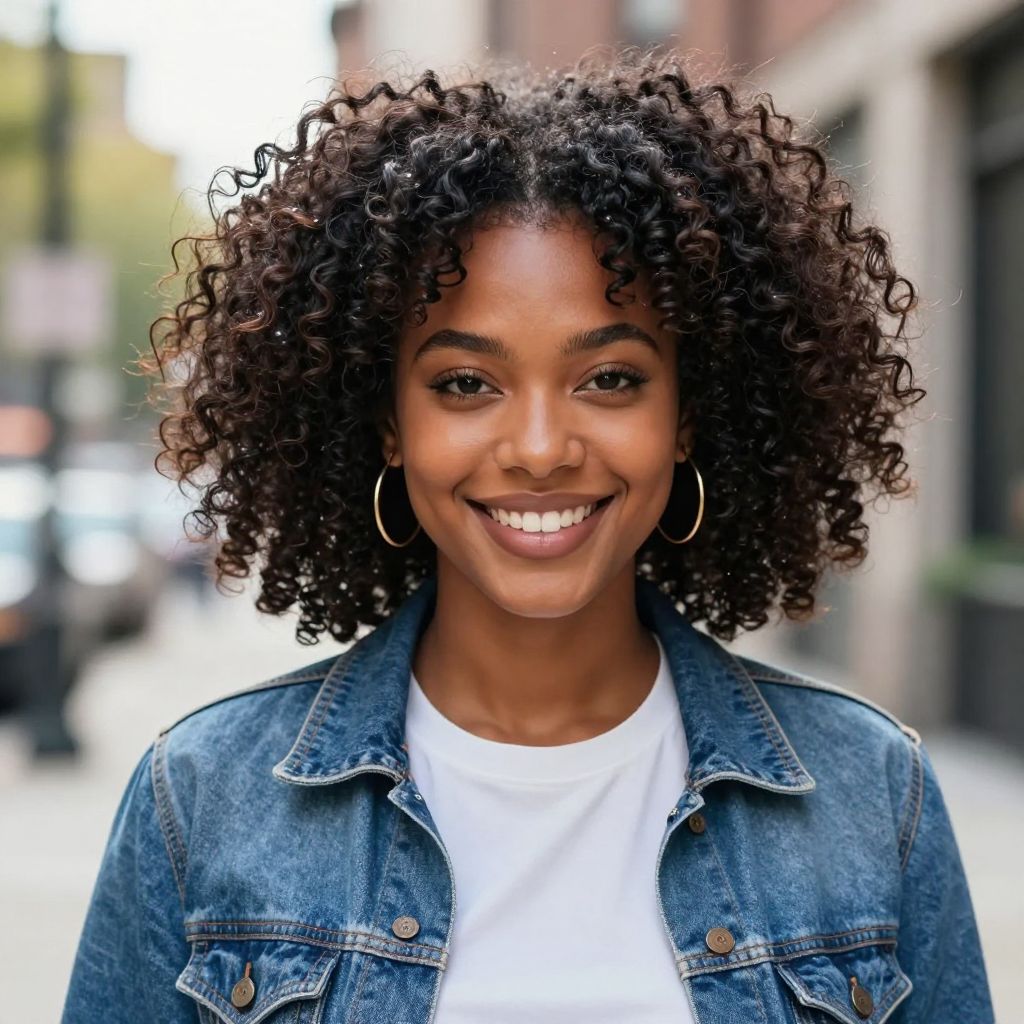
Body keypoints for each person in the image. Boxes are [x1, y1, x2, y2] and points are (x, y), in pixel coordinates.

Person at [61, 48, 994, 1024]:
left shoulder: (868, 795)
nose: (541, 448)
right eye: (465, 383)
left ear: (686, 412)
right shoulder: (203, 800)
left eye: (610, 378)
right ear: (387, 422)